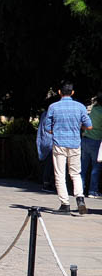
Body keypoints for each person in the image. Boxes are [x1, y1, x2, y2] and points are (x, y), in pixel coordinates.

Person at [44, 82, 93, 214]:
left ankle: (65, 204)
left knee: (60, 174)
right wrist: (78, 127)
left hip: (59, 143)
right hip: (75, 143)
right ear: (72, 92)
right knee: (75, 173)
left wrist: (58, 130)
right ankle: (80, 199)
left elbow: (48, 128)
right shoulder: (80, 107)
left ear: (59, 92)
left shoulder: (53, 107)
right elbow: (89, 126)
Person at [80, 91, 102, 198]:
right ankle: (92, 191)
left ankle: (79, 190)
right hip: (96, 140)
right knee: (96, 167)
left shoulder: (92, 109)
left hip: (85, 139)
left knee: (83, 166)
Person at [37, 106, 55, 192]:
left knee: (47, 163)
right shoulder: (50, 115)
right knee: (50, 163)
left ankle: (45, 181)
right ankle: (46, 183)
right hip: (50, 141)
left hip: (45, 140)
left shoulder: (44, 114)